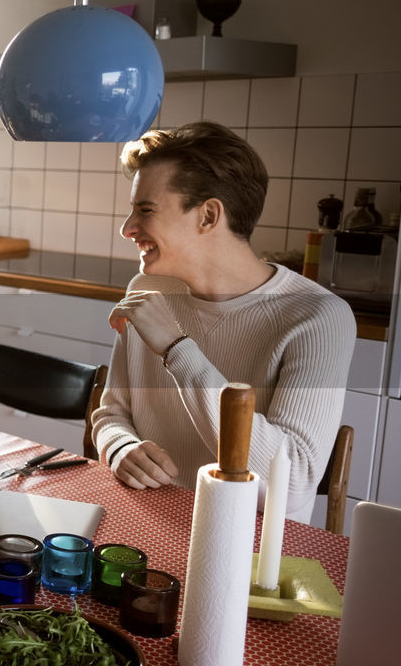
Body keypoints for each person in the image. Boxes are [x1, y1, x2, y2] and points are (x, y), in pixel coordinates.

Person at [92, 121, 354, 522]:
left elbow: (294, 485)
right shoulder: (147, 287)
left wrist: (177, 349)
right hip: (147, 523)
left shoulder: (317, 317)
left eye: (145, 210)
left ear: (209, 215)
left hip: (246, 554)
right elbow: (112, 414)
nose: (127, 228)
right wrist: (120, 448)